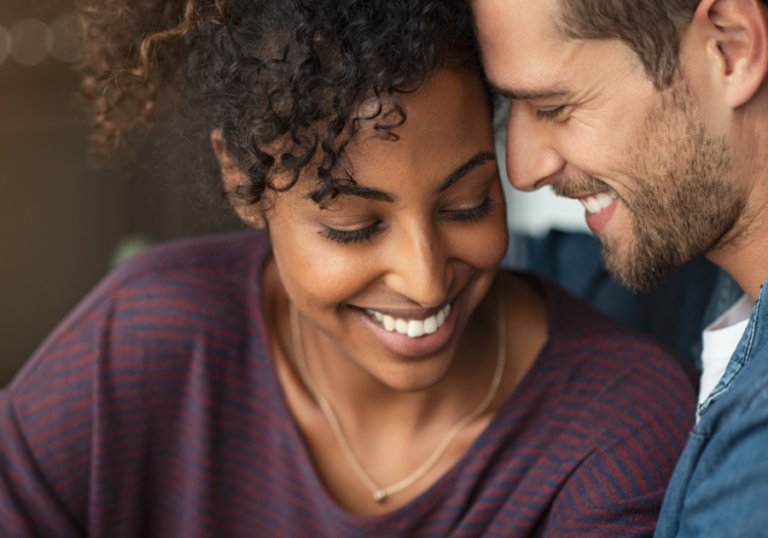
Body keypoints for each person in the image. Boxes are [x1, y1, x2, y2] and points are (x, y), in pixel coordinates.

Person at [0, 0, 695, 536]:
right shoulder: (150, 335)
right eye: (354, 228)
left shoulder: (617, 434)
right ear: (244, 178)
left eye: (465, 205)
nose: (424, 281)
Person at [471, 0, 768, 535]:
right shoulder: (690, 263)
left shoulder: (753, 484)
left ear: (731, 49)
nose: (520, 169)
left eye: (553, 107)